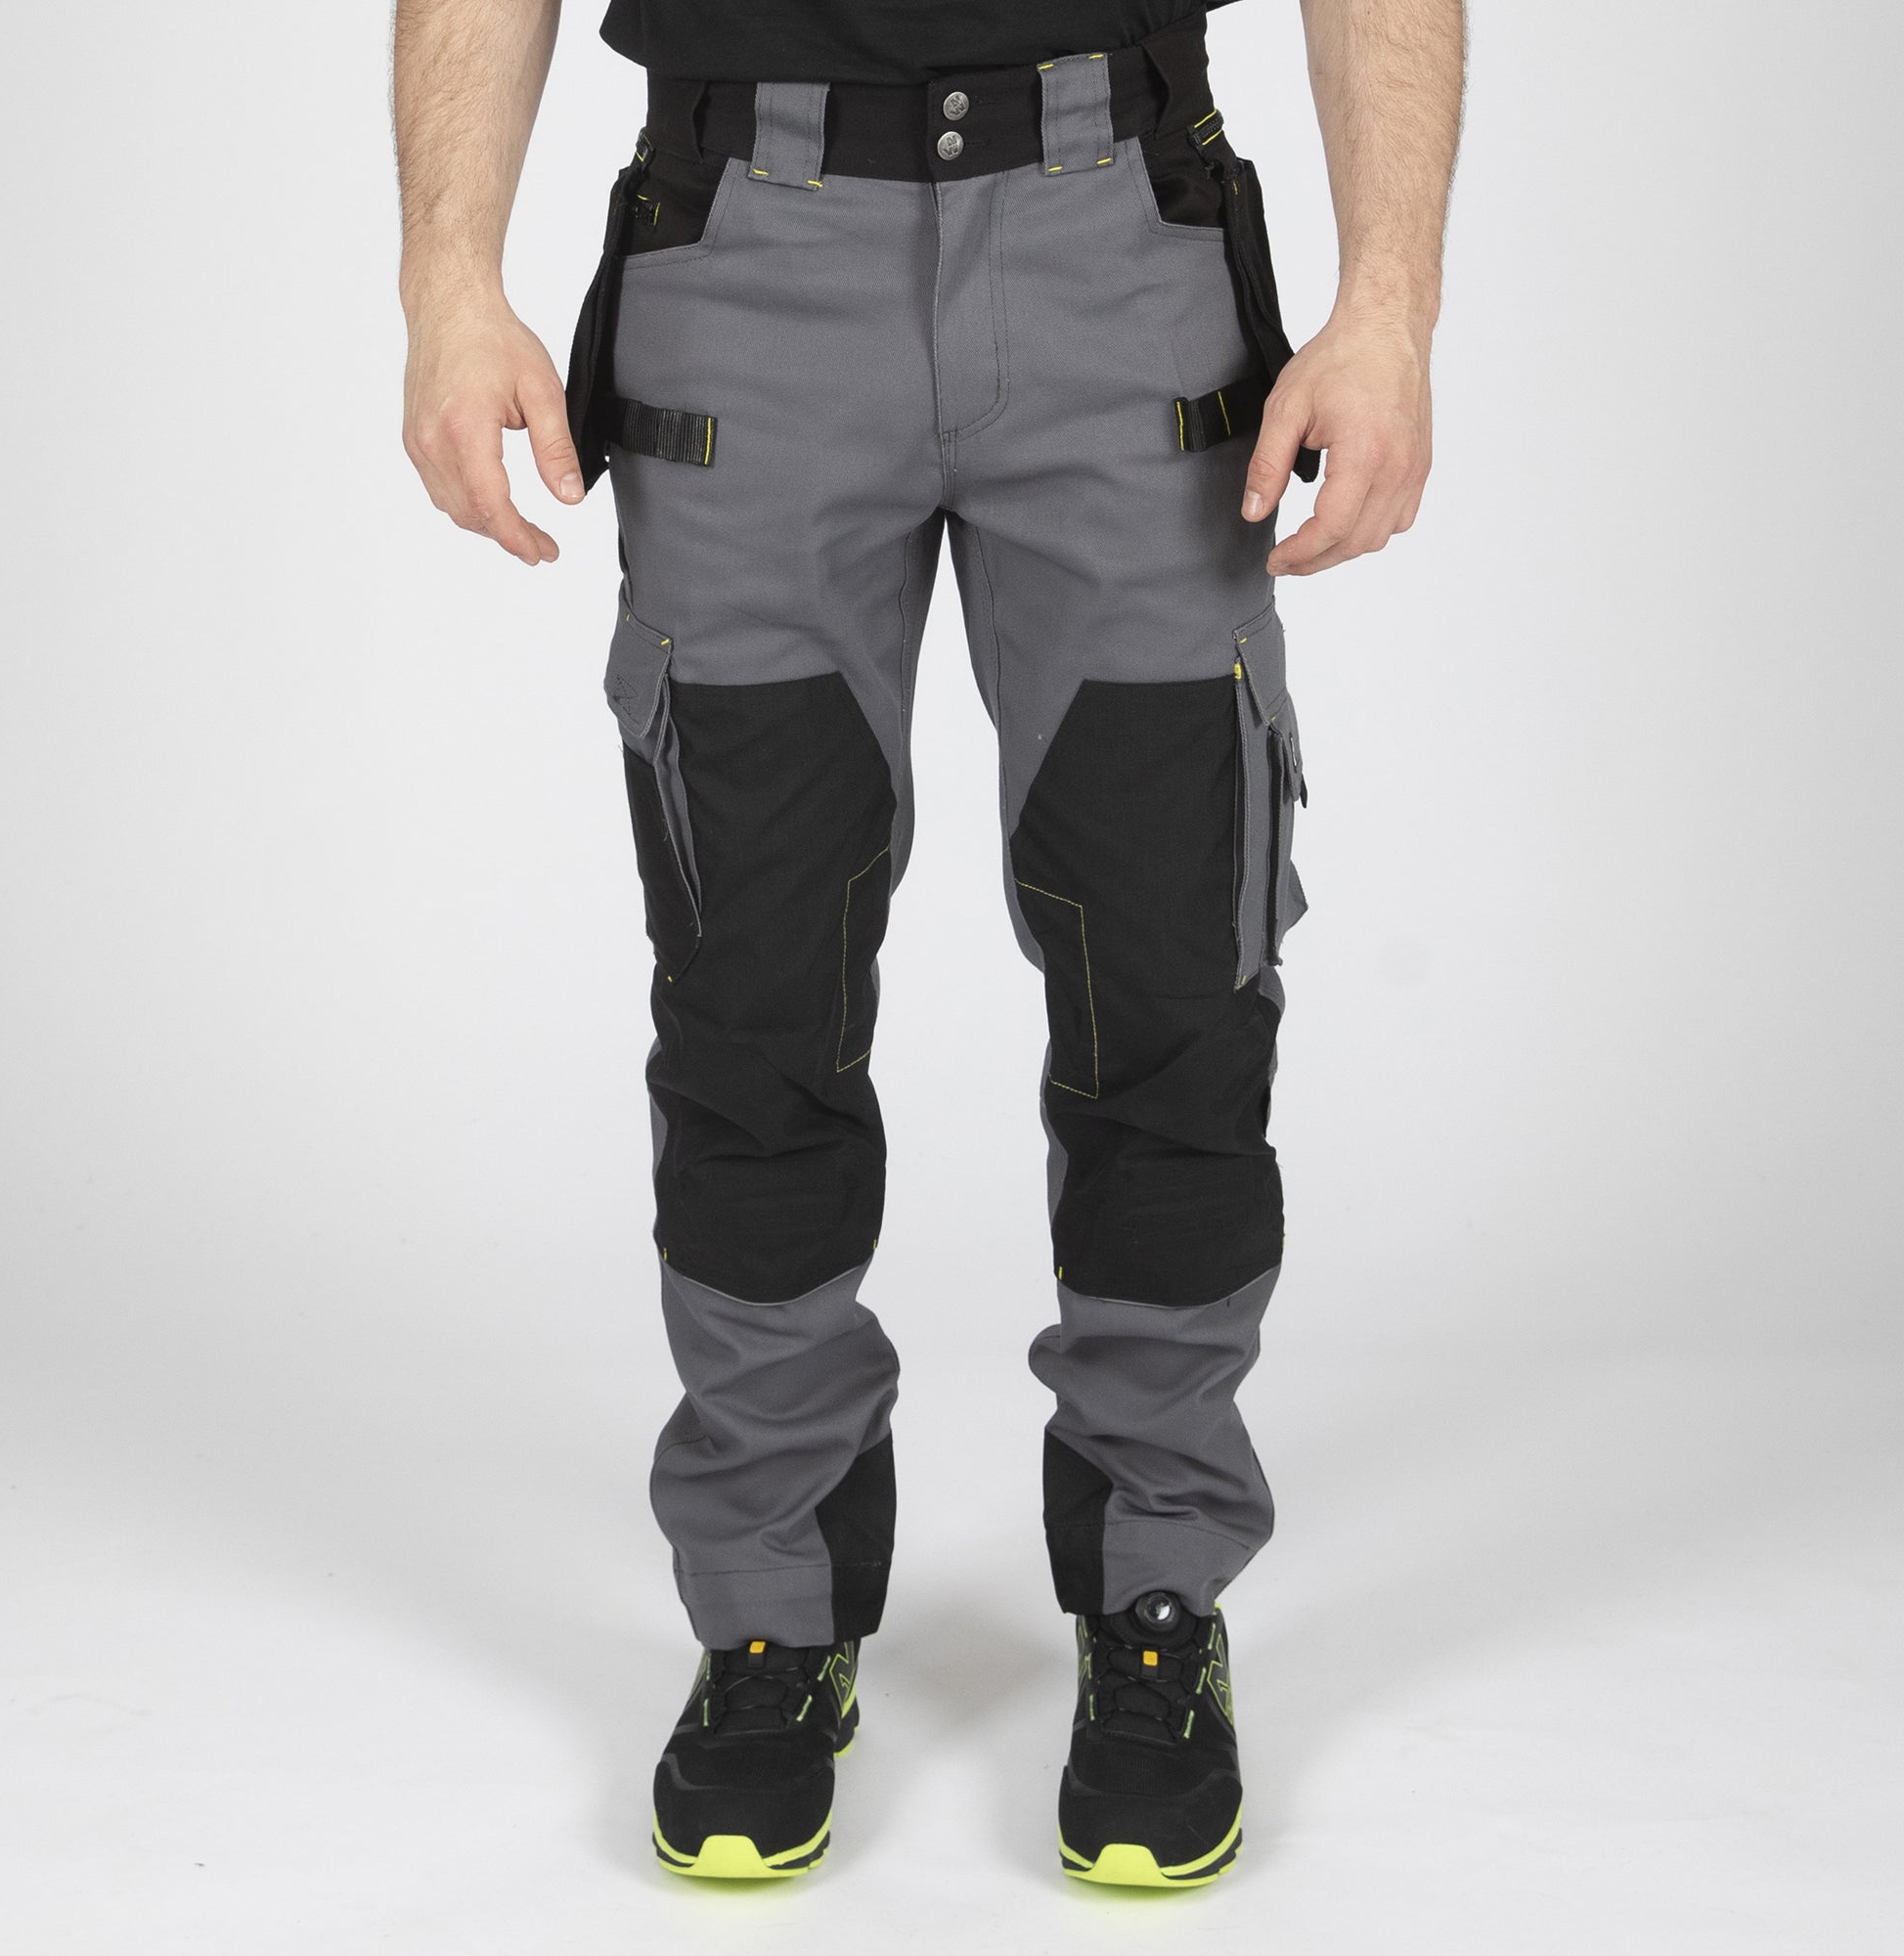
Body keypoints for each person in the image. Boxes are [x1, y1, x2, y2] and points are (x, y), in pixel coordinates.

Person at [393, 0, 1462, 1889]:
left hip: (1121, 247)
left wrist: (1389, 307)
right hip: (748, 247)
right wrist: (445, 280)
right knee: (751, 986)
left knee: (1175, 975)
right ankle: (770, 1605)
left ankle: (1154, 1593)